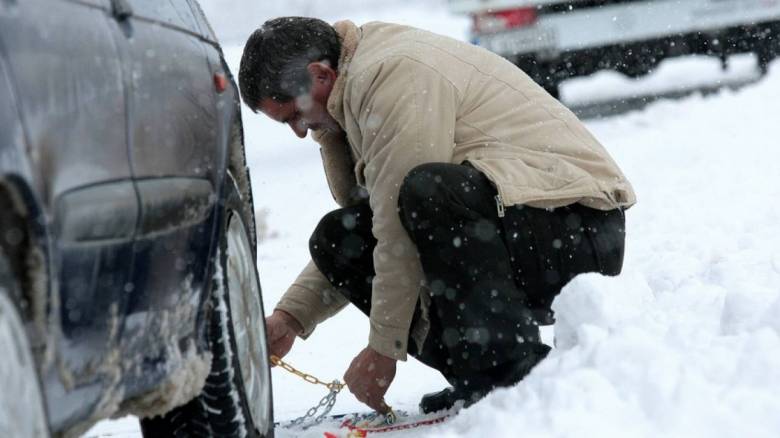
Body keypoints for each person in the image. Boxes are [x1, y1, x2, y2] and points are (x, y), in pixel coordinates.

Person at [238, 17, 636, 415]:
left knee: (430, 192)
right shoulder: (355, 82)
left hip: (579, 226)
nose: (299, 131)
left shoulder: (393, 74)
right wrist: (291, 317)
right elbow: (377, 225)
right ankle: (479, 375)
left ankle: (507, 373)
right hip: (525, 221)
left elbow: (395, 226)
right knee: (338, 238)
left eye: (293, 115)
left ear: (320, 75)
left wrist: (384, 349)